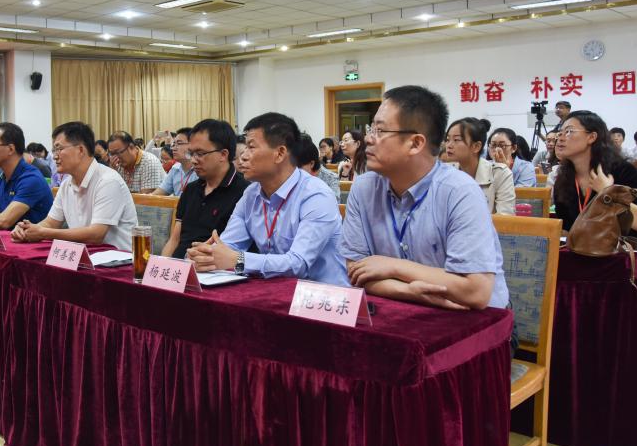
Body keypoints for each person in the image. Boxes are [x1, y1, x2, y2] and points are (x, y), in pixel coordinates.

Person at [339, 86, 509, 310]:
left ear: (416, 143)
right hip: (402, 309)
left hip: (474, 319)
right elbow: (355, 271)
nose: (368, 139)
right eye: (371, 129)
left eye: (380, 131)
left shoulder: (460, 192)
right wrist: (408, 291)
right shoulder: (363, 188)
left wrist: (394, 267)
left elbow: (475, 291)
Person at [187, 113, 347, 285]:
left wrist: (238, 260)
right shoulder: (251, 194)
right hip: (275, 289)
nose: (243, 157)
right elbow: (228, 247)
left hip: (322, 294)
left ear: (280, 153)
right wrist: (206, 256)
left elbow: (298, 263)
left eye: (251, 147)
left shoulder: (316, 195)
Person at [11, 121, 137, 250]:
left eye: (59, 149)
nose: (54, 156)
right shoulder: (66, 185)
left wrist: (43, 233)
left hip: (118, 258)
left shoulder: (108, 181)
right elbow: (51, 222)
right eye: (54, 150)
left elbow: (96, 235)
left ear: (80, 150)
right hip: (84, 255)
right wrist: (27, 229)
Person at [161, 119, 249, 259]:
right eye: (191, 154)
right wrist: (162, 264)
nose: (193, 160)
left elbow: (235, 250)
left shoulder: (245, 192)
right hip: (179, 265)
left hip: (213, 267)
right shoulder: (190, 190)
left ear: (223, 154)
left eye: (200, 154)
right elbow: (174, 240)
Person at [552, 110, 637, 234]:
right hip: (583, 244)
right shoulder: (564, 179)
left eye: (569, 131)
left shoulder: (622, 170)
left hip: (624, 244)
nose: (560, 138)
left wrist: (608, 192)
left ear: (592, 137)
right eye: (560, 133)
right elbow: (567, 227)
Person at [444, 117, 515, 215]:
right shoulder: (444, 173)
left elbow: (505, 216)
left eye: (456, 140)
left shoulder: (500, 173)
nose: (449, 145)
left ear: (476, 146)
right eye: (447, 140)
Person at [153, 128, 197, 198]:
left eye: (179, 143)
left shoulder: (200, 169)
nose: (173, 148)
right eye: (173, 144)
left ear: (192, 145)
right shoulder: (175, 168)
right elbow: (158, 194)